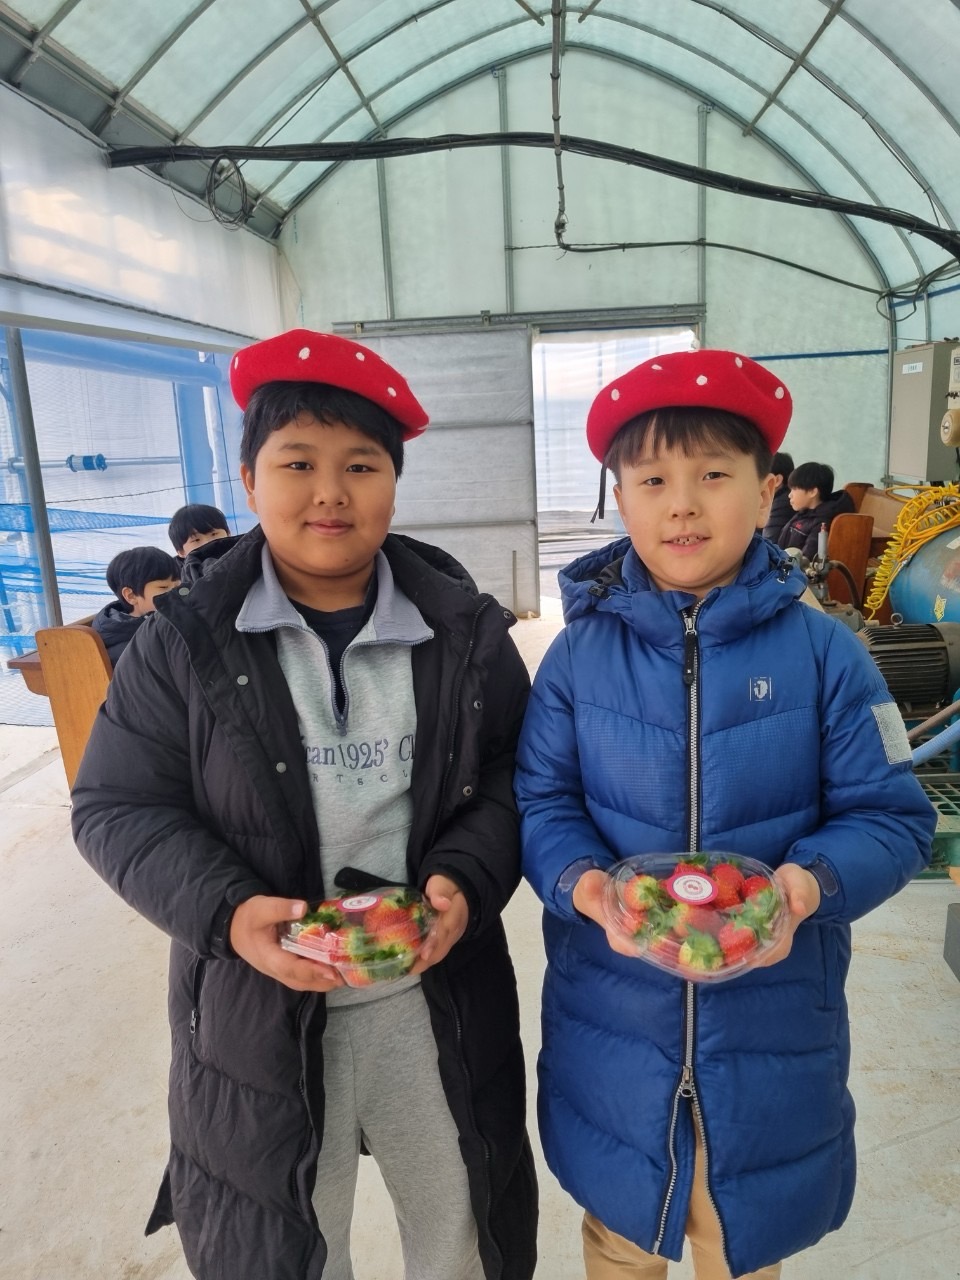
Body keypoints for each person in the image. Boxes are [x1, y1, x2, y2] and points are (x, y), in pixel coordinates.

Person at [71, 329, 538, 1280]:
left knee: (459, 1229)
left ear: (394, 482)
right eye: (297, 464)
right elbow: (116, 805)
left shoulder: (464, 631)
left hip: (432, 998)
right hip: (259, 1012)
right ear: (248, 481)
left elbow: (514, 776)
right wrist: (228, 911)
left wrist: (465, 878)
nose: (330, 492)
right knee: (290, 1244)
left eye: (360, 465)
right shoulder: (183, 642)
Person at [514, 348, 934, 1280]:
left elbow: (892, 816)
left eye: (713, 476)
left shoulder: (828, 655)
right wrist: (585, 887)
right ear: (619, 498)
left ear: (767, 490)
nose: (682, 506)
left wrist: (802, 888)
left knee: (739, 1238)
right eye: (651, 481)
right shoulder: (576, 659)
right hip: (613, 1014)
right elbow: (542, 801)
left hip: (770, 1023)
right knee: (622, 1230)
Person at [89, 545, 180, 665]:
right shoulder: (128, 652)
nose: (176, 594)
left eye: (178, 586)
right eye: (163, 587)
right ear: (131, 596)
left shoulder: (166, 621)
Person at [776, 460, 855, 561]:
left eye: (794, 489)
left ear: (812, 492)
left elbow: (806, 560)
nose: (789, 495)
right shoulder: (803, 514)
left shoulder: (822, 523)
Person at [761, 450, 793, 541]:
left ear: (777, 480)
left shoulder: (783, 503)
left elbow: (768, 539)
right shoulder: (779, 498)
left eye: (760, 475)